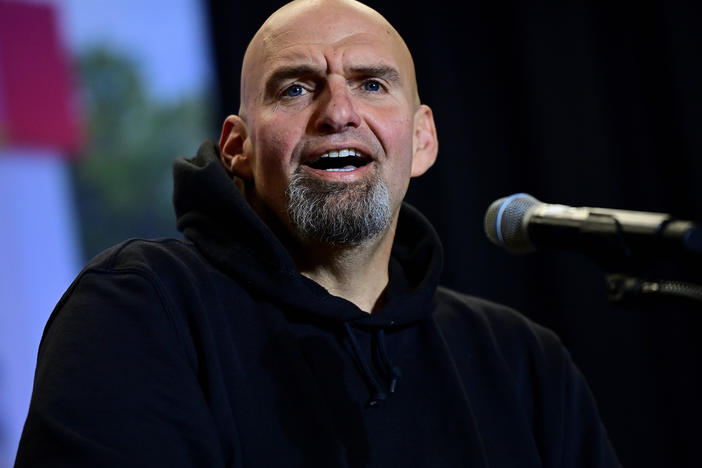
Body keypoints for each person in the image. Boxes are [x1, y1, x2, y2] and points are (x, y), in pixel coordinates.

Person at [15, 0, 621, 466]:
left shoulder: (521, 360)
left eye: (372, 84)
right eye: (296, 88)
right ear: (237, 148)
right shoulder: (141, 307)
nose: (337, 112)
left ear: (422, 139)